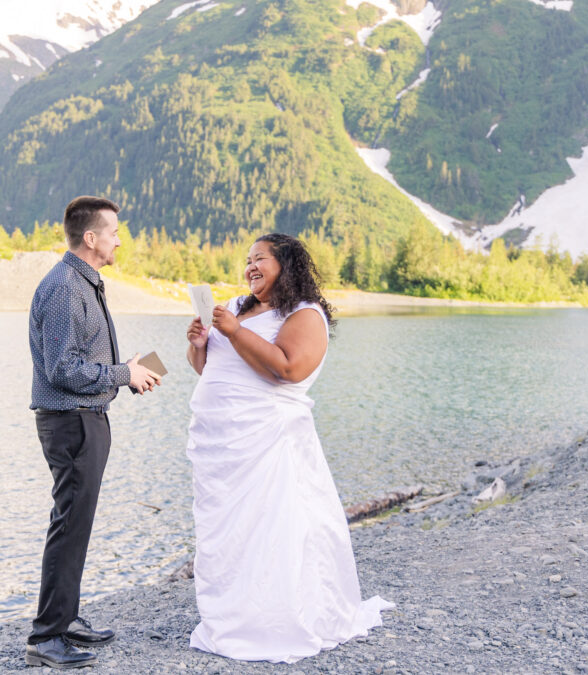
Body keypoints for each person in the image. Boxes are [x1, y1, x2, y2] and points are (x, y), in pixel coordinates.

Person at [184, 233, 393, 663]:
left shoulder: (303, 313)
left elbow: (288, 368)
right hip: (221, 446)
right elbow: (210, 369)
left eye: (260, 258)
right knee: (231, 532)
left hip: (269, 439)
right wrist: (199, 344)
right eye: (247, 260)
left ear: (287, 264)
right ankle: (234, 615)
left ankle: (278, 620)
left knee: (273, 525)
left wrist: (235, 331)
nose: (250, 267)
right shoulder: (239, 306)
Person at [26, 195, 161, 669]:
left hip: (85, 417)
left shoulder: (82, 281)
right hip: (72, 421)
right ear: (91, 238)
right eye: (115, 232)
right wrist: (122, 375)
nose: (120, 239)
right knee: (69, 525)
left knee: (76, 524)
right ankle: (47, 637)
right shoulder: (66, 286)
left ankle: (66, 617)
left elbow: (79, 360)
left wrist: (125, 370)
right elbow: (62, 368)